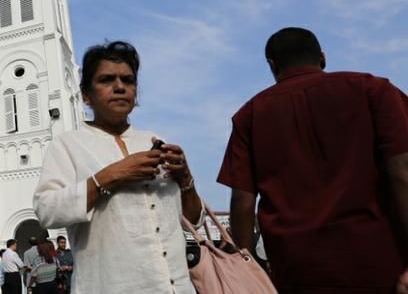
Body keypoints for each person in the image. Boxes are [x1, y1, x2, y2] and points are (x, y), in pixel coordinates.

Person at [217, 27, 408, 294]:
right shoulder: (374, 90)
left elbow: (242, 201)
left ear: (272, 65)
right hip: (378, 266)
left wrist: (247, 273)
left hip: (297, 271)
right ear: (322, 58)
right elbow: (402, 173)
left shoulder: (250, 115)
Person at [34, 41, 203, 293]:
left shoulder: (153, 140)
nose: (120, 87)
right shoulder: (68, 145)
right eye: (106, 80)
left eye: (128, 80)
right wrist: (111, 176)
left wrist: (185, 179)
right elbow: (47, 211)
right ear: (86, 95)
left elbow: (193, 221)